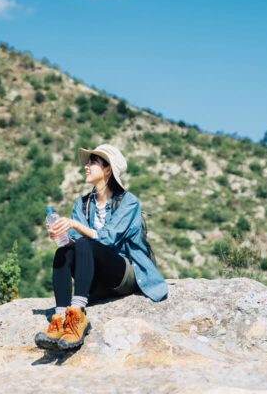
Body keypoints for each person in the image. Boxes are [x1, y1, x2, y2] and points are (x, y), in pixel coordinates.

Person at [34, 144, 168, 351]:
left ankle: (77, 314)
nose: (86, 166)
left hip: (124, 273)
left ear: (108, 169)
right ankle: (61, 318)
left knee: (86, 242)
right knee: (63, 252)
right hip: (96, 276)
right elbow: (77, 243)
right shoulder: (82, 204)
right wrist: (61, 237)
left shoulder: (129, 202)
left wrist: (76, 226)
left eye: (93, 162)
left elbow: (108, 239)